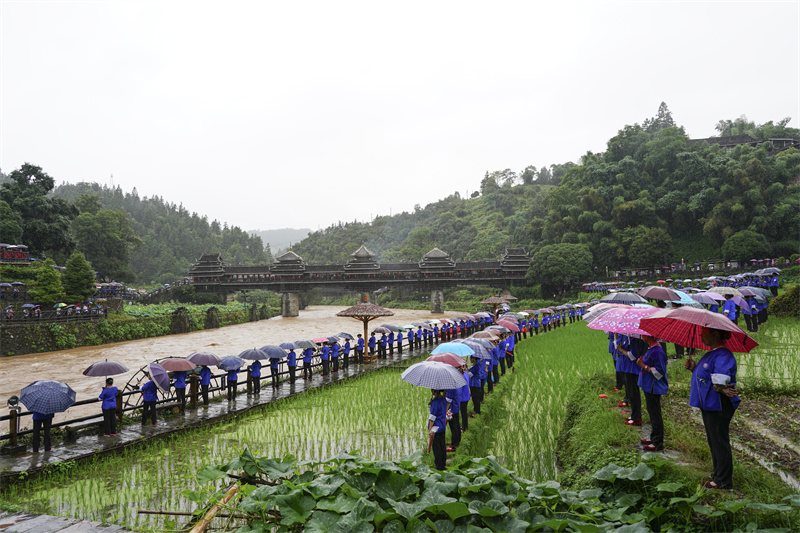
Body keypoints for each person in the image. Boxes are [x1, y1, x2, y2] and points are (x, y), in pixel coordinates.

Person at [685, 327, 740, 490]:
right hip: (709, 403)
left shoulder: (723, 354)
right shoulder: (711, 353)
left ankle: (724, 481)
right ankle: (718, 474)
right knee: (713, 440)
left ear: (715, 334)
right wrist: (694, 368)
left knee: (719, 441)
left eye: (704, 332)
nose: (701, 335)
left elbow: (719, 378)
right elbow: (707, 376)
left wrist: (720, 387)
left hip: (718, 404)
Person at [636, 335, 668, 451]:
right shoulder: (651, 349)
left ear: (648, 336)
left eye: (643, 334)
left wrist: (643, 366)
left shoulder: (657, 351)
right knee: (651, 412)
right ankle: (654, 437)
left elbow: (659, 373)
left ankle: (658, 442)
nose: (641, 336)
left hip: (654, 387)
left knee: (655, 414)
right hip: (648, 386)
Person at [616, 334, 644, 426]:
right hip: (627, 368)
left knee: (634, 393)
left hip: (632, 369)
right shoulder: (627, 337)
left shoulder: (634, 339)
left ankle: (637, 418)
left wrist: (621, 350)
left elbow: (633, 356)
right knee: (630, 393)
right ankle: (634, 415)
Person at [428, 390, 447, 470]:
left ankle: (438, 465)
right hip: (442, 426)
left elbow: (432, 417)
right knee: (442, 445)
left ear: (434, 391)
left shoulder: (435, 403)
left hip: (436, 428)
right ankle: (443, 463)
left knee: (436, 447)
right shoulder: (443, 399)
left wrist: (430, 430)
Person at [445, 386, 461, 452]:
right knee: (457, 424)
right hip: (456, 407)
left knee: (453, 426)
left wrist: (445, 411)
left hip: (452, 409)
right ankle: (457, 442)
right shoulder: (455, 384)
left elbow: (448, 400)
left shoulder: (450, 387)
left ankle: (454, 445)